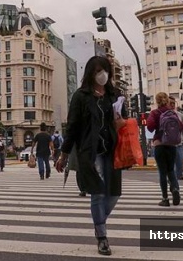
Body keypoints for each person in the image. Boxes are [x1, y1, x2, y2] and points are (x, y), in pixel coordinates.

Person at [55, 56, 127, 256]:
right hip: (90, 150)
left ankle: (98, 223)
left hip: (112, 150)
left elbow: (124, 118)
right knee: (98, 192)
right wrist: (64, 154)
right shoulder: (81, 96)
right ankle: (102, 237)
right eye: (97, 71)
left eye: (104, 70)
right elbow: (72, 127)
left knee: (114, 194)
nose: (102, 75)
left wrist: (121, 122)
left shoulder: (114, 94)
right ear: (90, 74)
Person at [146, 92, 183, 207]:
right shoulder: (173, 113)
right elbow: (181, 126)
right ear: (167, 100)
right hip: (172, 145)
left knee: (162, 172)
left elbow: (150, 127)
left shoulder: (155, 113)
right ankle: (175, 189)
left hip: (159, 144)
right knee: (171, 170)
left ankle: (165, 198)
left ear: (157, 101)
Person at [169, 96, 183, 181]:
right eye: (170, 103)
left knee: (180, 164)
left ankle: (178, 176)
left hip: (179, 144)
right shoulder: (164, 115)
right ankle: (173, 183)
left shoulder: (180, 115)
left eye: (173, 103)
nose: (172, 105)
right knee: (171, 166)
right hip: (169, 145)